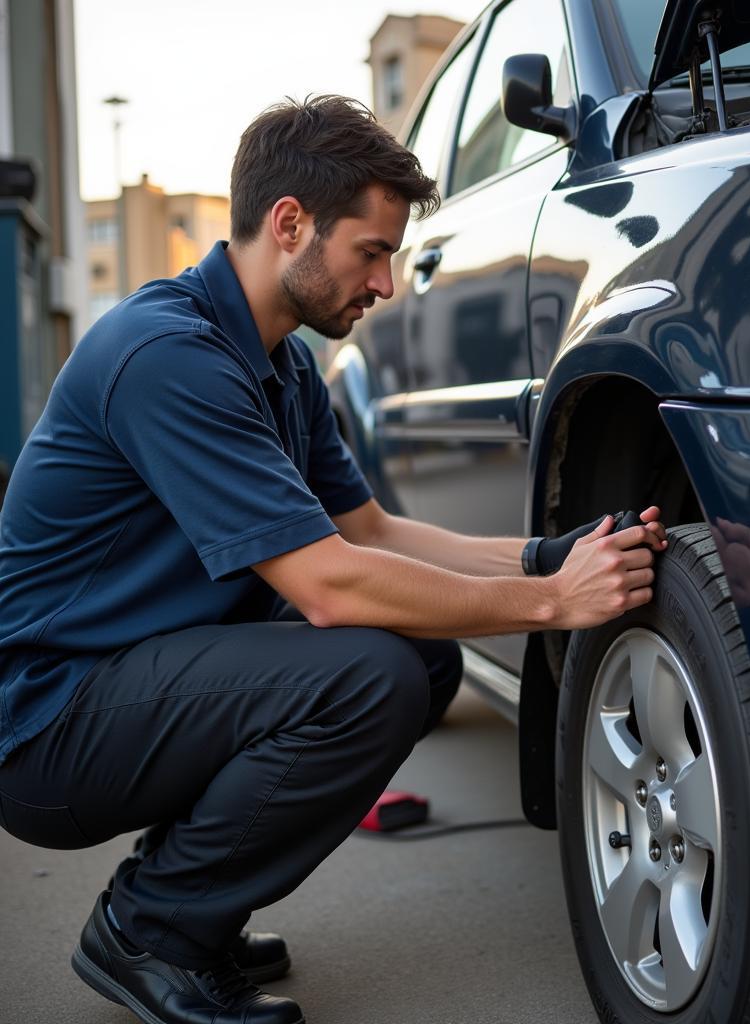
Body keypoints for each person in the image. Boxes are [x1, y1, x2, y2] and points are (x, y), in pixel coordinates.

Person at [0, 95, 667, 1024]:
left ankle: (195, 895)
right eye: (373, 250)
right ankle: (152, 928)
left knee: (424, 654)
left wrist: (538, 558)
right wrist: (554, 604)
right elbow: (325, 585)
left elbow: (373, 534)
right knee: (369, 674)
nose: (388, 283)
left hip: (136, 673)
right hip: (48, 723)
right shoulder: (167, 357)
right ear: (290, 225)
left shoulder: (282, 365)